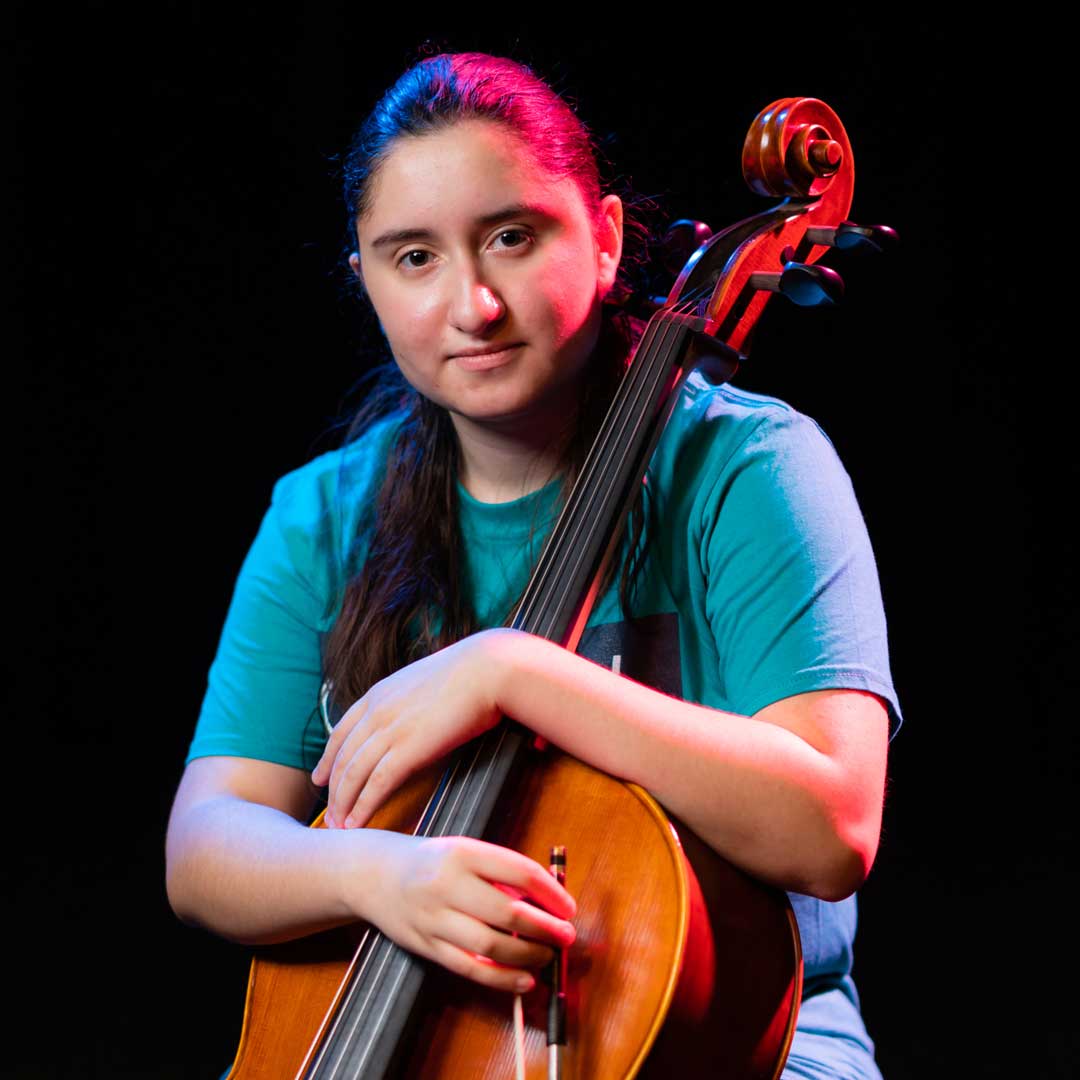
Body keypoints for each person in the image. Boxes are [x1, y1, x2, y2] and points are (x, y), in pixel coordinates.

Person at [165, 51, 901, 1079]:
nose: (473, 303)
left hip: (746, 1048)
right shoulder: (323, 516)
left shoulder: (749, 471)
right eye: (412, 258)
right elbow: (205, 846)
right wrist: (373, 874)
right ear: (365, 281)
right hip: (427, 1030)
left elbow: (831, 826)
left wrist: (512, 671)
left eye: (511, 238)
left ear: (602, 240)